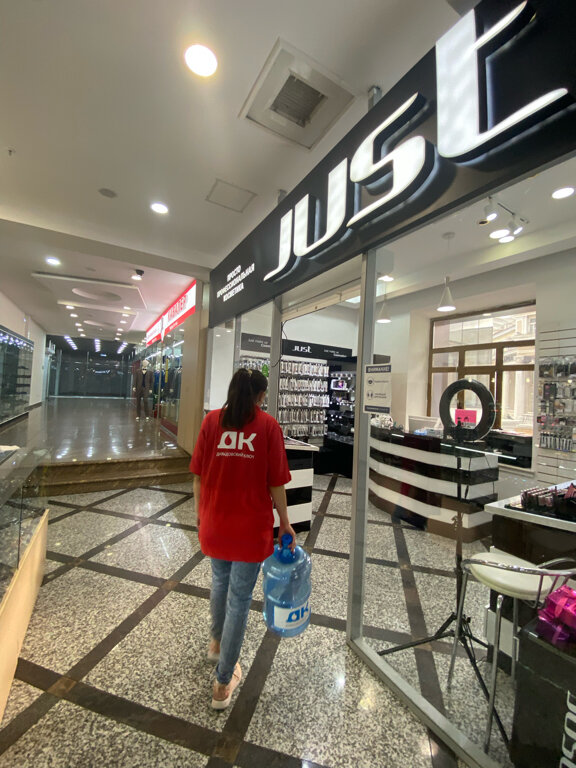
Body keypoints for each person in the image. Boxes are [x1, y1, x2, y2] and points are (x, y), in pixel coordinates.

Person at [190, 368, 294, 710]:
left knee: (220, 582)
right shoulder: (268, 427)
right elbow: (276, 482)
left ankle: (216, 644)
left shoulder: (211, 422)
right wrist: (285, 523)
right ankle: (222, 682)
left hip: (215, 523)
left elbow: (198, 476)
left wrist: (200, 514)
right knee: (238, 598)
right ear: (260, 396)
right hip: (249, 529)